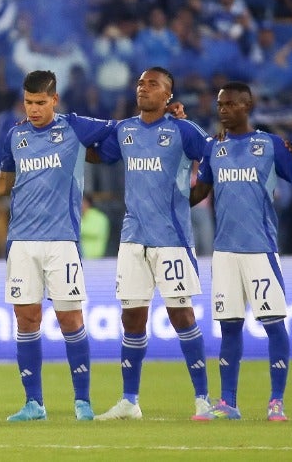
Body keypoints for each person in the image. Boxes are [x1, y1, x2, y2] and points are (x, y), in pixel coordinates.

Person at [0, 71, 114, 423]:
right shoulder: (15, 135)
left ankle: (83, 402)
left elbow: (121, 132)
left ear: (54, 100)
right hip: (22, 242)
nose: (33, 109)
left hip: (62, 241)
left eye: (40, 102)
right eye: (28, 102)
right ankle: (34, 404)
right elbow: (4, 184)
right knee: (26, 320)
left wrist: (96, 155)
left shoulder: (74, 127)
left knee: (70, 318)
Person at [91, 67, 215, 421]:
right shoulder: (125, 130)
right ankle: (129, 401)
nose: (143, 88)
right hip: (133, 239)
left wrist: (196, 194)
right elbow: (98, 154)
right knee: (132, 317)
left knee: (181, 315)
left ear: (168, 95)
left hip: (172, 240)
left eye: (153, 84)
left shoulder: (183, 130)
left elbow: (214, 155)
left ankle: (203, 399)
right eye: (141, 83)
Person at [188, 82, 292, 422]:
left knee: (273, 324)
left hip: (260, 249)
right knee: (229, 326)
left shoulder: (269, 145)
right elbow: (200, 192)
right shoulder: (214, 147)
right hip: (224, 252)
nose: (223, 110)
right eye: (220, 104)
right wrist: (169, 198)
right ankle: (228, 403)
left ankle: (276, 401)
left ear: (247, 105)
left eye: (230, 104)